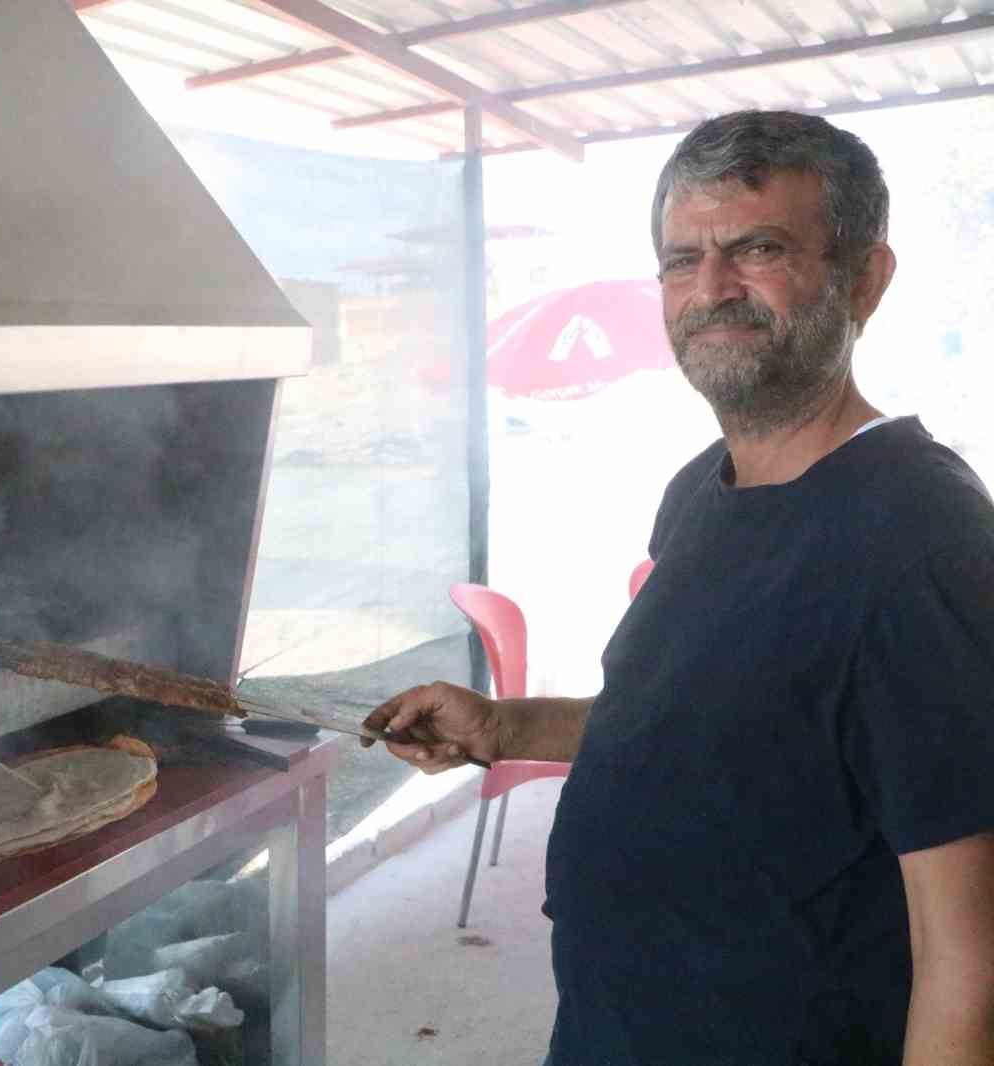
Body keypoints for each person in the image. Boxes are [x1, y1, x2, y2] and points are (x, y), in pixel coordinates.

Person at [364, 110, 994, 1066]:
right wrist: (504, 729)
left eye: (760, 249)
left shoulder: (923, 541)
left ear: (865, 279)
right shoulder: (702, 487)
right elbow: (687, 722)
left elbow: (968, 953)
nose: (711, 290)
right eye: (678, 260)